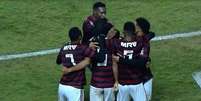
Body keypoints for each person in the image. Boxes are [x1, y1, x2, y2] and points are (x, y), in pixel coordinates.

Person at [56, 27, 95, 101]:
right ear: (80, 37)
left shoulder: (64, 47)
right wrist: (89, 47)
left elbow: (58, 61)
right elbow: (95, 57)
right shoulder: (83, 48)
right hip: (75, 88)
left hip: (62, 87)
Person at [112, 21, 147, 101]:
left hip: (122, 84)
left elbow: (114, 64)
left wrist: (116, 81)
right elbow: (141, 62)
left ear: (123, 32)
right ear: (134, 31)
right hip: (136, 83)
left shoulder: (116, 44)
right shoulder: (140, 43)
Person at [135, 17, 154, 101]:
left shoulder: (144, 41)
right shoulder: (131, 37)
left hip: (145, 78)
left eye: (135, 25)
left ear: (139, 28)